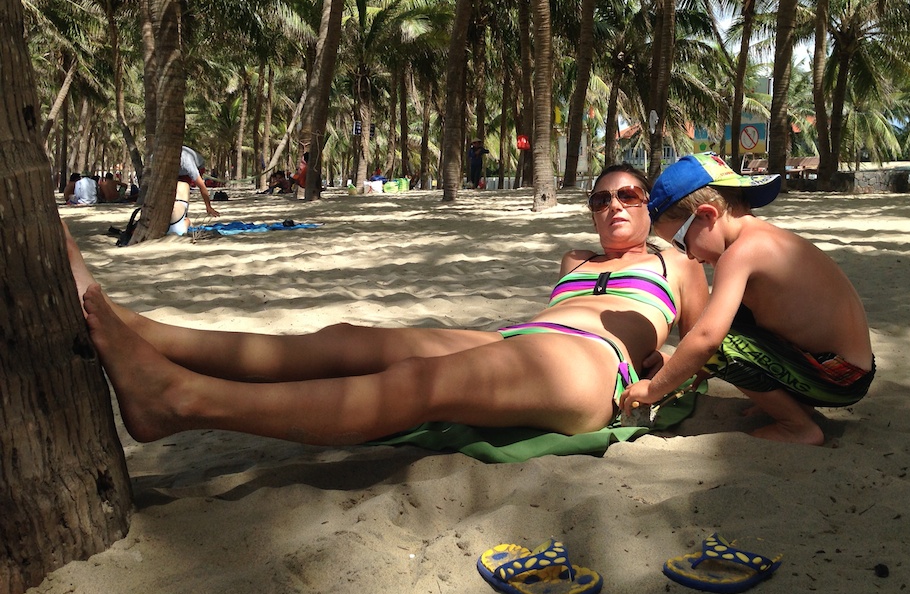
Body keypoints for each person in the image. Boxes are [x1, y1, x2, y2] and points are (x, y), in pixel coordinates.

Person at [66, 164, 709, 446]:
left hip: (592, 368)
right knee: (346, 339)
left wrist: (655, 387)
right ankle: (144, 328)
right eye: (600, 200)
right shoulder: (576, 263)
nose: (613, 207)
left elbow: (705, 346)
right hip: (520, 344)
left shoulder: (672, 264)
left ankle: (182, 401)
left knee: (421, 383)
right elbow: (546, 325)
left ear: (646, 201)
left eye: (627, 194)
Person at [619, 152, 875, 445]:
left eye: (681, 242)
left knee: (717, 342)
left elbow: (707, 339)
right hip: (845, 367)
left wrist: (654, 390)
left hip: (839, 378)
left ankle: (797, 426)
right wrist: (676, 365)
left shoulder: (740, 253)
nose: (689, 256)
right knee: (726, 320)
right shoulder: (762, 237)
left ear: (707, 215)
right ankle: (795, 405)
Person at [171, 146, 220, 236]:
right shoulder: (156, 159)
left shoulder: (187, 165)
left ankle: (183, 215)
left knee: (183, 188)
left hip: (198, 166)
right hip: (176, 169)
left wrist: (208, 207)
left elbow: (202, 187)